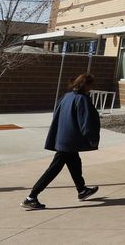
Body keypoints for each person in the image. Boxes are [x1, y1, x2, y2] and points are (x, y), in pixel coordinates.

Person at [21, 73, 101, 210]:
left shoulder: (66, 96)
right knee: (54, 169)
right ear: (85, 85)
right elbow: (85, 122)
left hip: (63, 137)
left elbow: (56, 114)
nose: (92, 88)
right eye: (91, 85)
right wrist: (92, 138)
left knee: (75, 163)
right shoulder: (82, 99)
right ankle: (31, 197)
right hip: (69, 141)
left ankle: (82, 190)